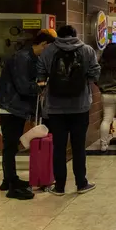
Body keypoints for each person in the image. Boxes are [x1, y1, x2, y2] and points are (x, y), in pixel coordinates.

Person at [37, 25, 100, 196]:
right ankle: (81, 183)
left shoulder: (49, 50)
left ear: (58, 35)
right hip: (80, 106)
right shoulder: (87, 50)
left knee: (59, 147)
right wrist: (83, 83)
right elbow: (95, 73)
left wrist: (46, 87)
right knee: (79, 146)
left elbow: (40, 73)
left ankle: (59, 187)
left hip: (55, 107)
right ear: (75, 35)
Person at [0, 31, 56, 200]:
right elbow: (23, 86)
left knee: (11, 145)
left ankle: (9, 180)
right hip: (9, 107)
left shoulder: (29, 57)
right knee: (10, 146)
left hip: (14, 107)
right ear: (44, 44)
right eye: (49, 49)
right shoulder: (22, 58)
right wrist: (42, 85)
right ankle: (12, 187)